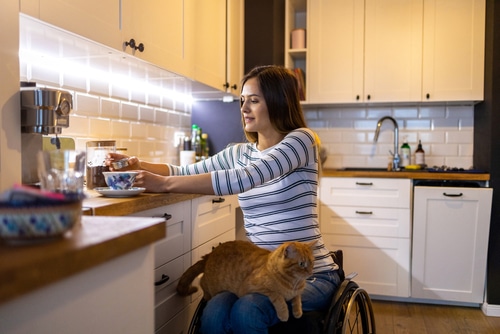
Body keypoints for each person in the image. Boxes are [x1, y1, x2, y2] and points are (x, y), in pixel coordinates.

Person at [106, 65, 340, 334]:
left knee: (247, 310)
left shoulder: (302, 141)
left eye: (254, 100)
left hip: (312, 276)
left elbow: (246, 177)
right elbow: (183, 171)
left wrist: (163, 183)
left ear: (278, 102)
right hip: (261, 273)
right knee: (215, 310)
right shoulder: (239, 153)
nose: (244, 108)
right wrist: (137, 165)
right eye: (242, 101)